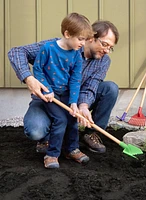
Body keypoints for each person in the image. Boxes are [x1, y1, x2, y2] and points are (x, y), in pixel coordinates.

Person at [8, 19, 120, 156]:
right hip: (49, 98)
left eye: (110, 48)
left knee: (110, 88)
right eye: (105, 44)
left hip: (73, 97)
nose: (107, 51)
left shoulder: (103, 61)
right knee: (35, 131)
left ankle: (89, 134)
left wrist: (83, 106)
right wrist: (28, 78)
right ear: (91, 38)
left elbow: (91, 85)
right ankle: (46, 138)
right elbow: (16, 52)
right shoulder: (58, 47)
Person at [31, 12, 94, 168]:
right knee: (60, 120)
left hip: (66, 94)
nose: (82, 43)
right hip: (50, 95)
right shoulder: (48, 48)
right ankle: (51, 154)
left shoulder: (76, 56)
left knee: (73, 119)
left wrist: (73, 102)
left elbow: (75, 79)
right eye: (80, 39)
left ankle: (72, 149)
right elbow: (38, 70)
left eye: (84, 40)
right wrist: (47, 89)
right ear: (67, 34)